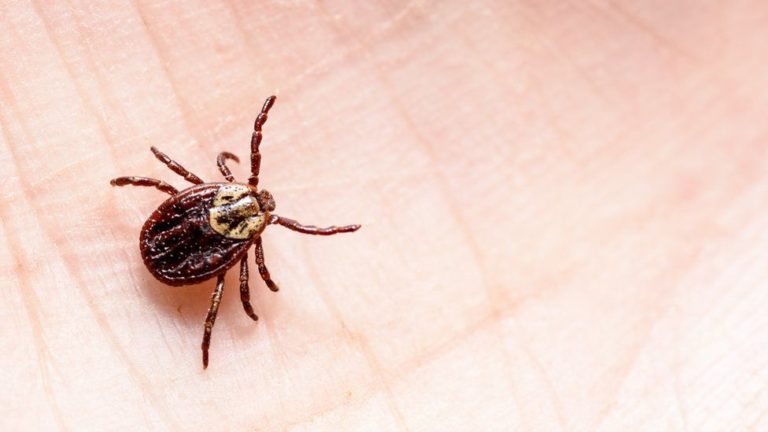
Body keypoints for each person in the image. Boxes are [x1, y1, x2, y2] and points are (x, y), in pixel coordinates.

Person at [2, 1, 766, 430]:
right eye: (246, 195)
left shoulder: (211, 190)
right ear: (225, 184)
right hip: (173, 261)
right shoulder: (234, 231)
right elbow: (231, 280)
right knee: (208, 292)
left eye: (251, 207)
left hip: (168, 255)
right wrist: (243, 294)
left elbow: (171, 183)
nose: (257, 205)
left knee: (197, 263)